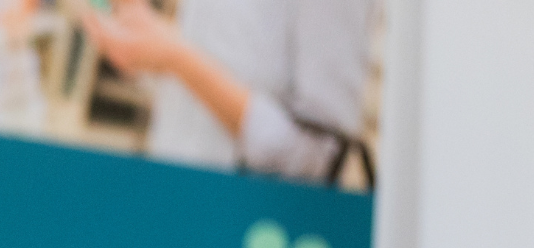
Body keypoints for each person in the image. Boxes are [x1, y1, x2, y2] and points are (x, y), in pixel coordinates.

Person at [81, 0, 374, 183]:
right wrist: (144, 43)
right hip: (171, 201)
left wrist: (175, 59)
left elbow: (318, 156)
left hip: (245, 232)